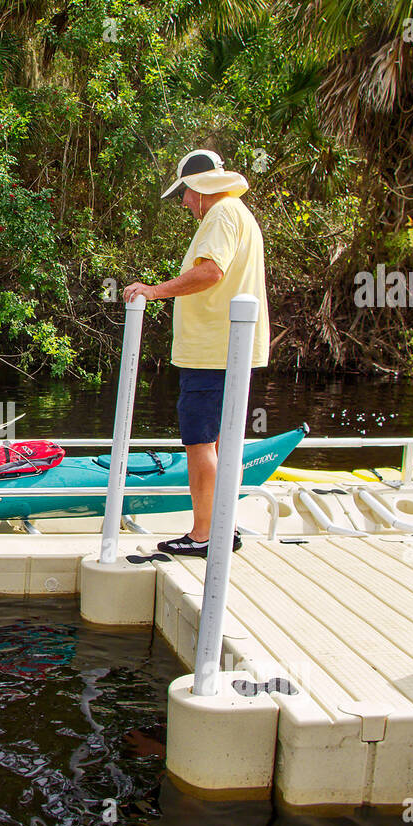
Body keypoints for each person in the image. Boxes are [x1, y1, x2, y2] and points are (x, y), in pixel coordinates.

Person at [121, 149, 270, 557]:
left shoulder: (221, 214)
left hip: (212, 352)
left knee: (200, 442)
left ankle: (205, 536)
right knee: (222, 444)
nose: (184, 202)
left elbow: (211, 272)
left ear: (201, 188)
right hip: (229, 350)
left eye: (185, 192)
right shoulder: (238, 213)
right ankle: (224, 527)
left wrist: (153, 291)